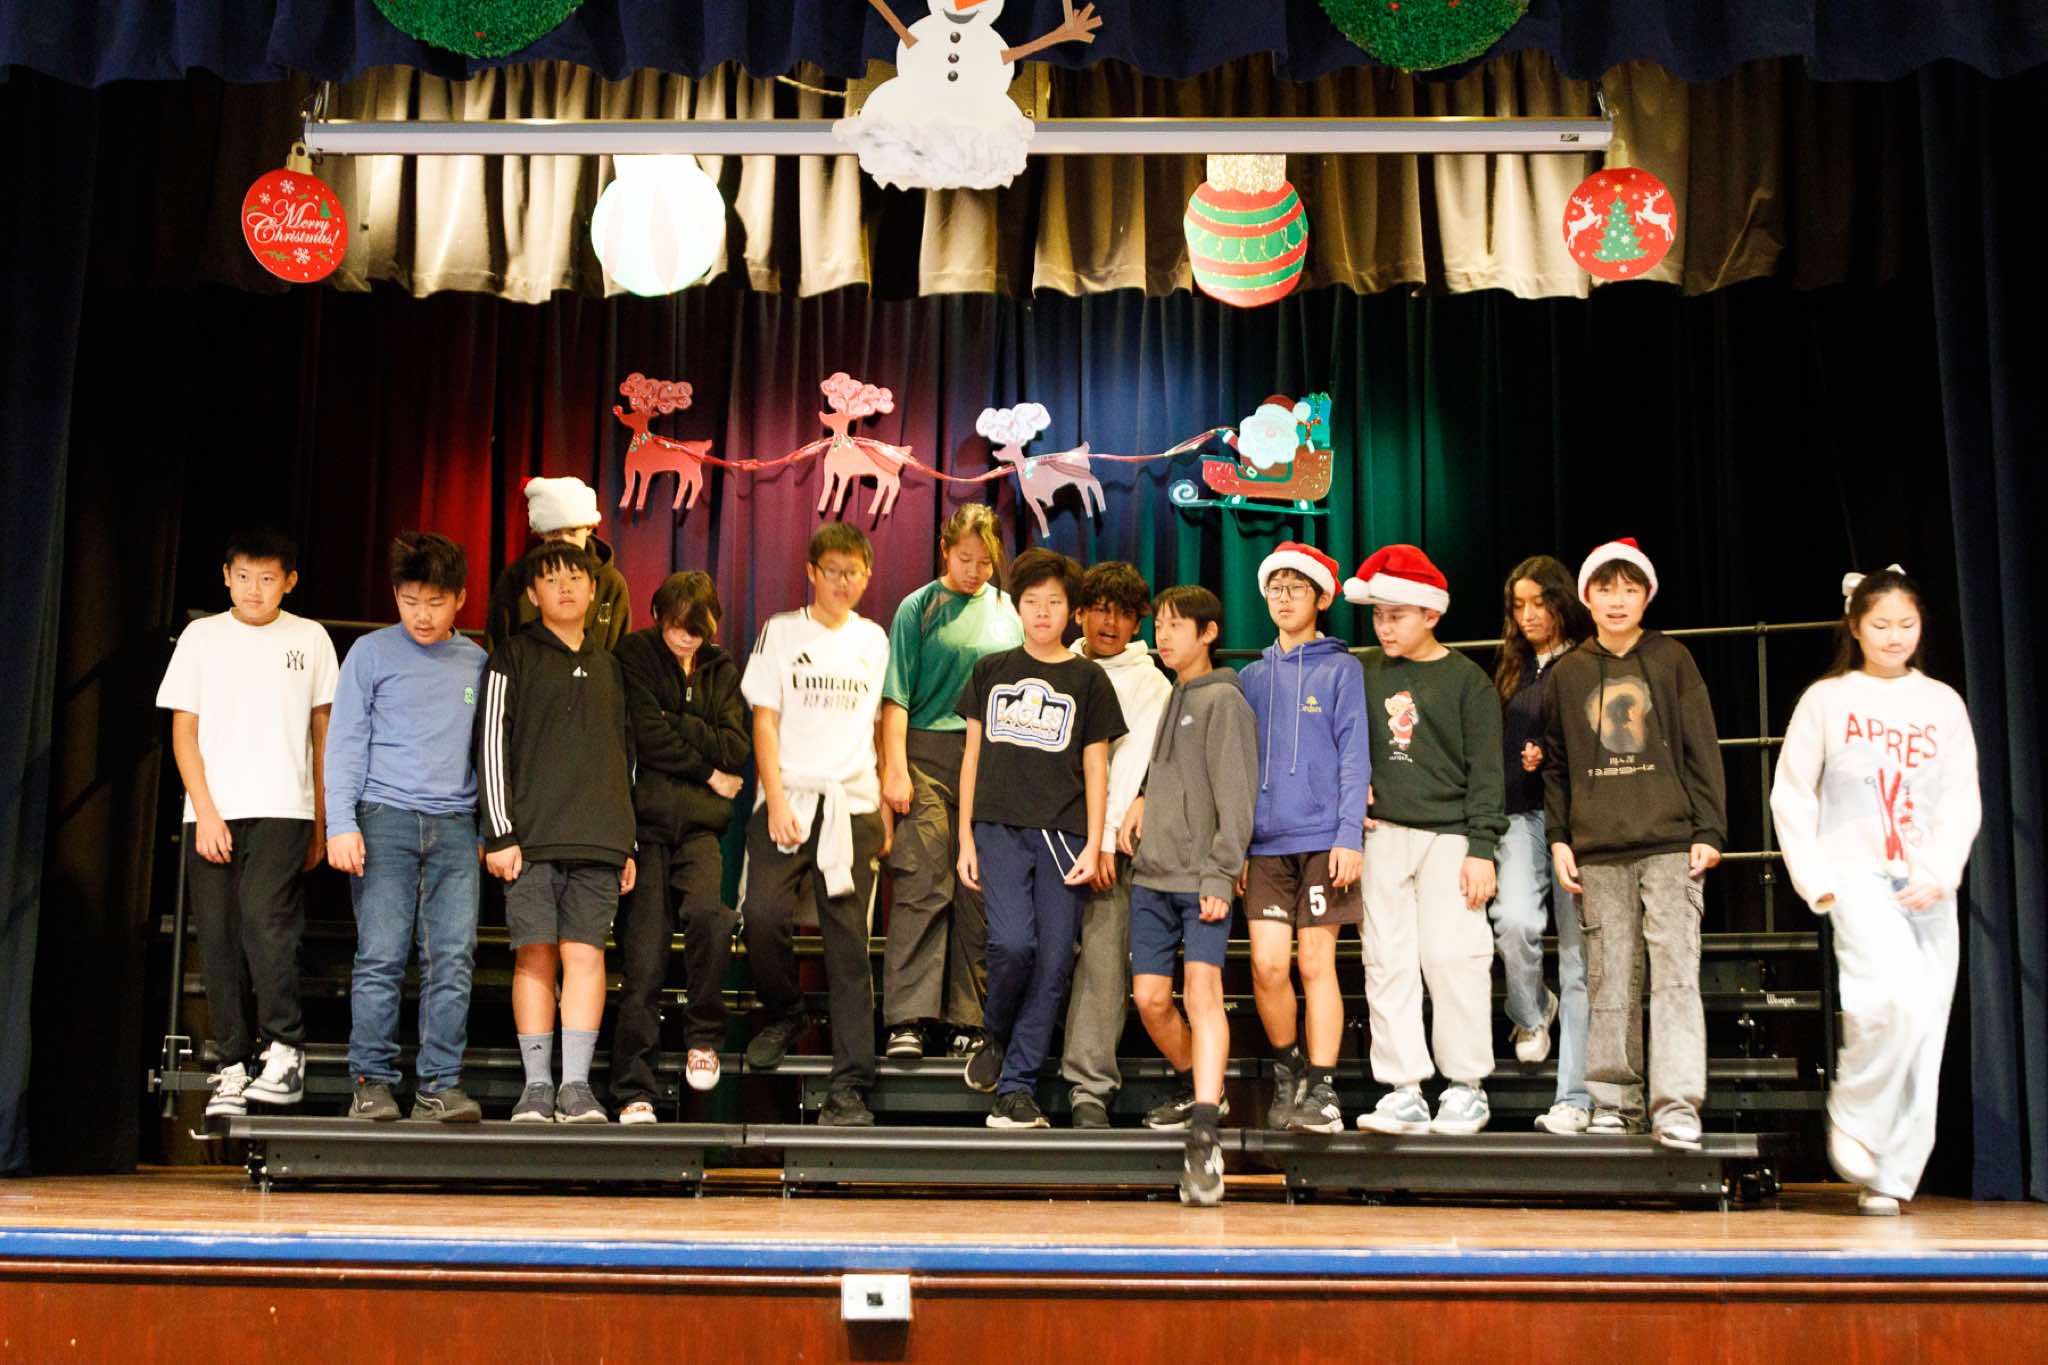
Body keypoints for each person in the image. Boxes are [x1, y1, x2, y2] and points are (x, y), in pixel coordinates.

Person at [1770, 565, 1979, 1215]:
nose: (1894, 636)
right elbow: (1791, 791)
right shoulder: (1828, 699)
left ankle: (1893, 1172)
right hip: (1856, 873)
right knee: (1891, 1002)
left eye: (1906, 624)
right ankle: (1855, 1116)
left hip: (1927, 881)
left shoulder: (1941, 703)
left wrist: (1942, 868)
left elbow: (1961, 795)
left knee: (1926, 1024)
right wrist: (1815, 878)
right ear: (1855, 626)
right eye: (1881, 624)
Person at [1543, 537, 1727, 1148]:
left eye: (1629, 589)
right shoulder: (1569, 672)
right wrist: (1559, 837)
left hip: (1671, 843)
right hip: (1597, 848)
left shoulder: (1672, 659)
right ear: (1586, 597)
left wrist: (1709, 829)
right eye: (1605, 588)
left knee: (1674, 976)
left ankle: (1676, 1105)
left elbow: (1702, 747)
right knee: (1609, 978)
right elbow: (1557, 764)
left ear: (1647, 595)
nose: (1617, 600)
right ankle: (1615, 1102)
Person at [158, 529, 338, 1119]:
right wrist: (206, 811)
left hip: (286, 806)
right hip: (212, 810)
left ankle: (285, 1048)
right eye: (242, 577)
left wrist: (323, 819)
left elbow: (323, 732)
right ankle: (231, 1064)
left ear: (289, 581)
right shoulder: (202, 637)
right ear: (226, 577)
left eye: (267, 578)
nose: (253, 589)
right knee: (217, 936)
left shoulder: (309, 638)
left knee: (266, 922)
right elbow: (183, 732)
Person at [956, 548, 1126, 1129]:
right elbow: (971, 756)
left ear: (1071, 610)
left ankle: (1016, 1089)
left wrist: (1095, 843)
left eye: (1054, 602)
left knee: (1054, 962)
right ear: (1017, 607)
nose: (1043, 612)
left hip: (1064, 834)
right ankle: (997, 1034)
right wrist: (965, 838)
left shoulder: (1089, 679)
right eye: (1032, 601)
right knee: (1012, 945)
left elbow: (1098, 766)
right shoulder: (990, 670)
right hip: (998, 827)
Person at [1343, 546, 1507, 1135]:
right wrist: (1350, 791)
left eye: (1398, 616)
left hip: (1450, 835)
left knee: (1453, 957)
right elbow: (1340, 740)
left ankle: (1466, 1086)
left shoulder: (1467, 681)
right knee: (1386, 960)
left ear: (1432, 614)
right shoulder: (1362, 671)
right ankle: (1403, 1087)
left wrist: (1482, 848)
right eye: (1378, 616)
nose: (1384, 627)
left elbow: (1487, 772)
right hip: (1383, 832)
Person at [326, 532, 489, 1123]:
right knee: (381, 956)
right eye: (410, 600)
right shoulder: (370, 653)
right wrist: (340, 823)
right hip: (383, 818)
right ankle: (370, 1082)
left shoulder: (477, 662)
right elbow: (345, 740)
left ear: (460, 599)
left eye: (435, 602)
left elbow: (488, 754)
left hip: (454, 824)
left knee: (453, 958)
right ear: (395, 595)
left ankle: (439, 1084)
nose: (422, 615)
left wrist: (486, 832)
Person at [738, 523, 893, 1128]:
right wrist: (776, 800)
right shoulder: (781, 631)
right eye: (832, 571)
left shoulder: (874, 640)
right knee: (761, 916)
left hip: (851, 804)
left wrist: (882, 806)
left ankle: (850, 1085)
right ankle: (786, 1012)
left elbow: (879, 726)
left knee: (849, 947)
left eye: (853, 572)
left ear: (867, 576)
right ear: (811, 572)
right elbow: (765, 721)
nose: (842, 582)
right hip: (791, 797)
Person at [478, 540, 638, 1124]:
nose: (565, 587)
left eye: (575, 577)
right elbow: (490, 745)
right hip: (530, 842)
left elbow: (627, 758)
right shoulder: (511, 658)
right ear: (532, 593)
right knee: (535, 957)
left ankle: (576, 1087)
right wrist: (500, 833)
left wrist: (627, 843)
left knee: (586, 956)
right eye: (551, 579)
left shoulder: (612, 667)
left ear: (594, 591)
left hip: (599, 841)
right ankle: (537, 1087)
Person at [1118, 585, 1258, 1205]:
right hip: (1153, 875)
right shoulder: (1174, 693)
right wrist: (1142, 797)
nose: (1163, 635)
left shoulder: (1225, 699)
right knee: (1150, 1000)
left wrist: (1221, 874)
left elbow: (1236, 796)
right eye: (1160, 626)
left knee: (1203, 994)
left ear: (1208, 633)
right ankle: (1202, 1086)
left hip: (1202, 878)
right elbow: (1169, 772)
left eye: (1176, 626)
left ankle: (1204, 1134)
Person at [879, 504, 1022, 1060]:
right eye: (965, 559)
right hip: (927, 753)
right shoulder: (918, 607)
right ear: (945, 550)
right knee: (923, 883)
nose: (975, 571)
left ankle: (969, 1018)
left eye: (985, 562)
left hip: (990, 760)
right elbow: (896, 695)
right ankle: (909, 1018)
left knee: (976, 888)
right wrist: (894, 767)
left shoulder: (1008, 610)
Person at [610, 571, 751, 1122]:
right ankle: (633, 1088)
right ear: (657, 617)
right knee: (643, 959)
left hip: (700, 827)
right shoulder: (635, 655)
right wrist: (708, 770)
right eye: (677, 628)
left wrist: (679, 724)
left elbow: (735, 747)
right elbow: (647, 737)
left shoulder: (721, 668)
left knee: (710, 918)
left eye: (697, 631)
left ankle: (704, 1039)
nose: (686, 639)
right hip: (645, 828)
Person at [1239, 543, 1368, 1134]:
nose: (1284, 598)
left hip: (1323, 839)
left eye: (1296, 588)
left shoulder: (1342, 669)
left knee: (1316, 963)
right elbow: (1239, 768)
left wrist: (1349, 836)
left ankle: (1322, 1086)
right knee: (1267, 965)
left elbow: (1354, 757)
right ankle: (1289, 1068)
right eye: (1276, 588)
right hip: (1265, 845)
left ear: (1320, 598)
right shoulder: (1251, 677)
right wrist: (1238, 846)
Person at [1061, 561, 1173, 1128]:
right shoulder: (1054, 663)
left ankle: (1089, 1088)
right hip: (1048, 834)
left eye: (1124, 613)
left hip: (1109, 846)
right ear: (1079, 613)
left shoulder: (1152, 683)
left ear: (1137, 623)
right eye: (1101, 610)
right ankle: (1010, 1062)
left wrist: (1104, 841)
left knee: (1104, 960)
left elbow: (1132, 768)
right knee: (1022, 948)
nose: (1110, 623)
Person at [1491, 556, 1596, 1135]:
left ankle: (1573, 1096)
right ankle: (1532, 1011)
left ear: (1561, 603)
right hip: (1520, 813)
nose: (1528, 615)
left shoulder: (1584, 662)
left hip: (1576, 822)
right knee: (1513, 921)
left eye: (1539, 603)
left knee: (1578, 961)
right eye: (1519, 605)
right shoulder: (1512, 666)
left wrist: (1548, 754)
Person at [484, 475, 632, 653]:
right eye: (554, 533)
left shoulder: (611, 583)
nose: (564, 541)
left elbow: (620, 653)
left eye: (573, 531)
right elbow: (497, 647)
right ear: (540, 533)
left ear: (589, 528)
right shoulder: (515, 579)